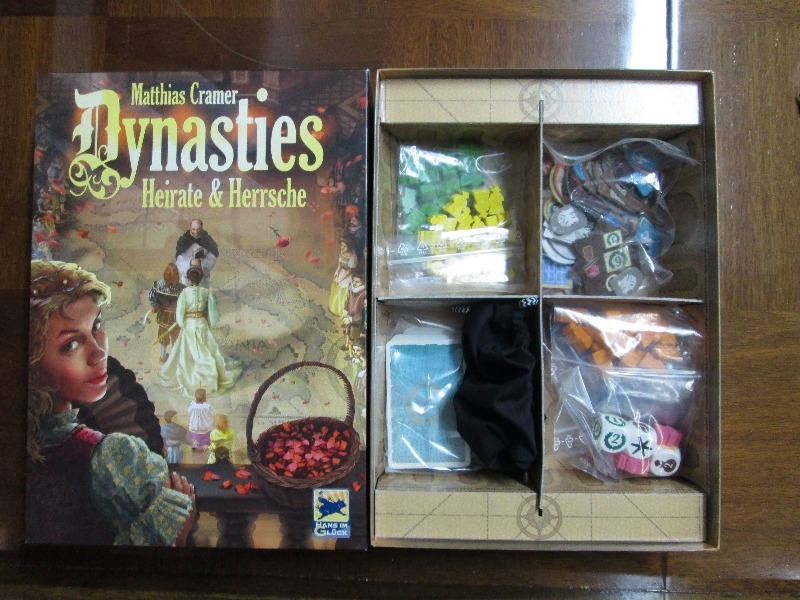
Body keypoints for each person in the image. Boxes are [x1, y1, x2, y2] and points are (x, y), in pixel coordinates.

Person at [26, 259, 195, 546]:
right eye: (70, 344)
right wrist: (174, 524)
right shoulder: (112, 456)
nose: (99, 353)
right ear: (31, 361)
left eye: (97, 325)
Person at [158, 266, 242, 397]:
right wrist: (211, 322)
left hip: (189, 324)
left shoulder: (185, 292)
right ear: (201, 278)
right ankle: (209, 374)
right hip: (202, 323)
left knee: (189, 350)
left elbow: (180, 311)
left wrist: (181, 323)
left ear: (189, 279)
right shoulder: (206, 291)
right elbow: (213, 312)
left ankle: (192, 373)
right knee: (206, 348)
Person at [148, 263, 185, 363]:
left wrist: (155, 306)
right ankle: (174, 358)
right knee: (175, 337)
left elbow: (151, 298)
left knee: (163, 335)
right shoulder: (182, 289)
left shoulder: (157, 285)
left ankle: (163, 356)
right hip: (176, 317)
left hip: (163, 317)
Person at [175, 218, 218, 286]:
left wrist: (201, 262)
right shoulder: (183, 240)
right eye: (193, 229)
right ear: (190, 228)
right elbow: (179, 259)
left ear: (201, 228)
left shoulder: (207, 240)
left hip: (203, 278)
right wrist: (190, 262)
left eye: (198, 229)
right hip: (187, 278)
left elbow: (212, 257)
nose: (196, 232)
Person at [328, 235, 358, 319]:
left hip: (346, 276)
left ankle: (339, 310)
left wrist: (341, 278)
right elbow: (340, 263)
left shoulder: (352, 257)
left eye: (344, 246)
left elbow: (349, 271)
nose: (342, 247)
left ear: (349, 246)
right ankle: (333, 307)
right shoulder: (342, 252)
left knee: (342, 292)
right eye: (341, 245)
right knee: (336, 287)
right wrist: (337, 271)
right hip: (341, 272)